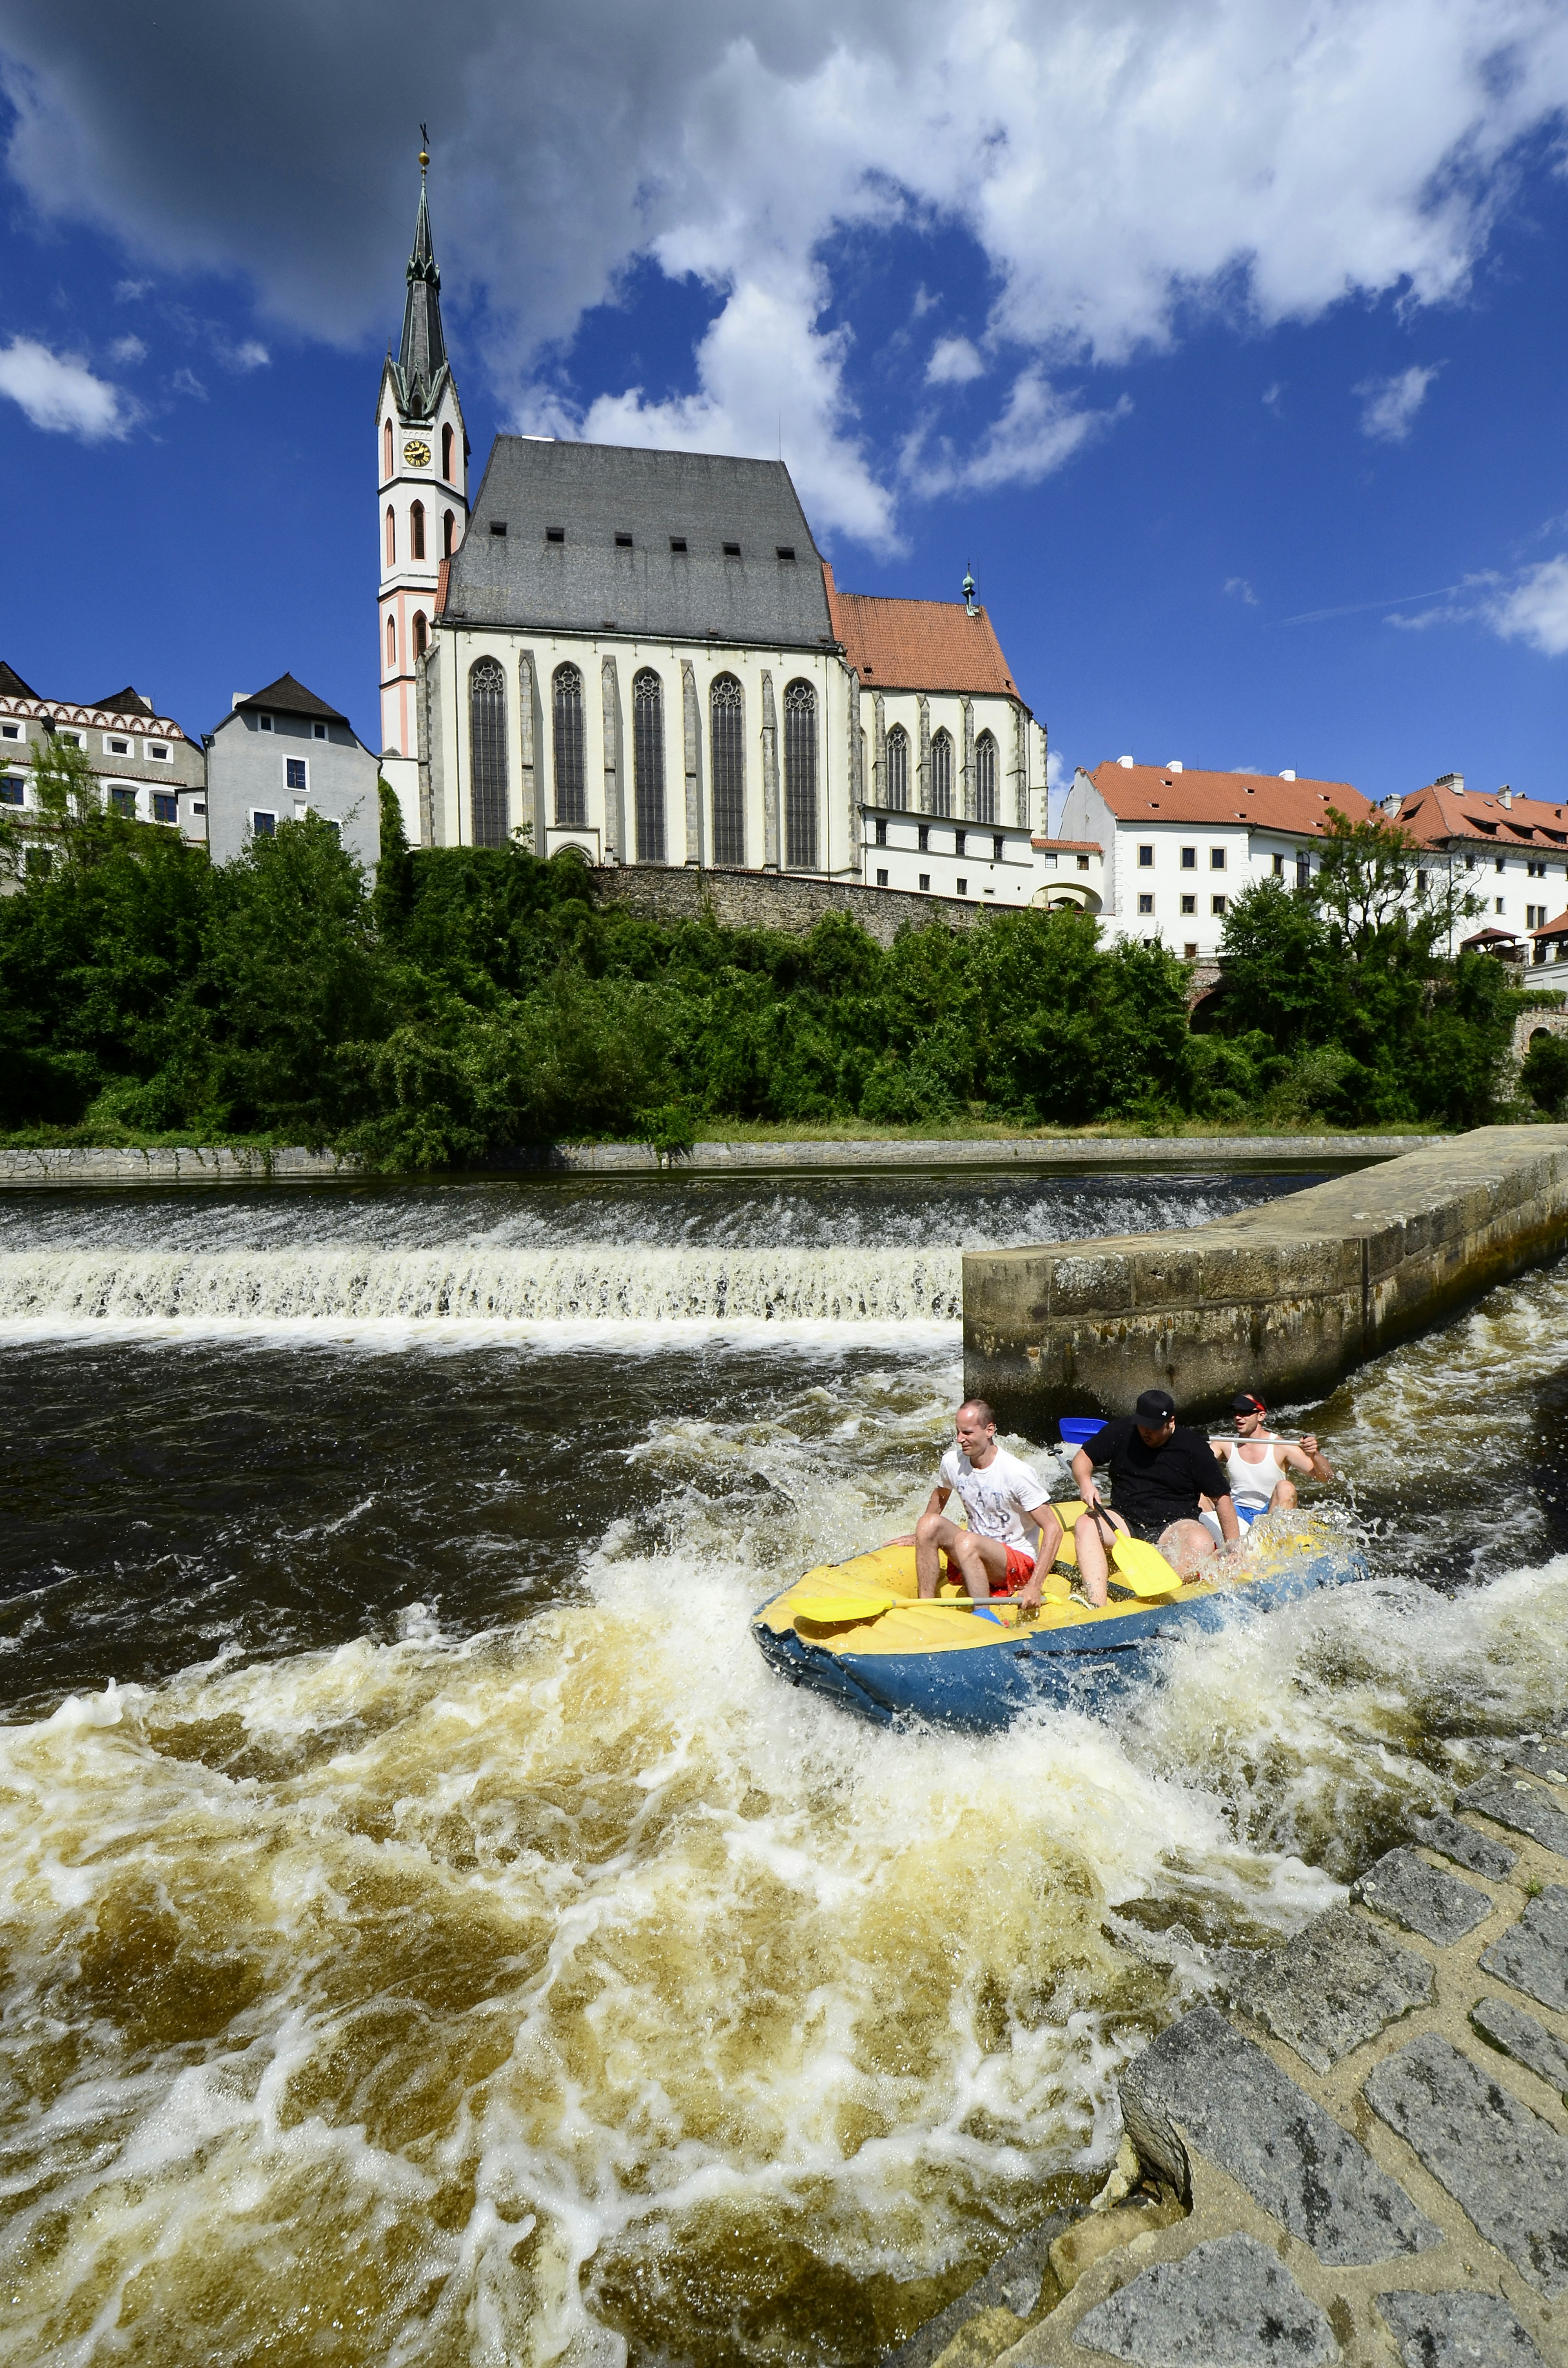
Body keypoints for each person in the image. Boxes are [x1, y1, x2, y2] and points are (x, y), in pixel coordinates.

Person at [889, 1398, 1063, 1612]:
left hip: (1016, 1562)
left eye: (968, 1433)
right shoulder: (952, 1463)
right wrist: (922, 1538)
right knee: (927, 1524)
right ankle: (924, 1606)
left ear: (989, 1430)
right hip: (972, 1549)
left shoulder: (1017, 1473)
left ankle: (983, 1615)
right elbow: (940, 1494)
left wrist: (1035, 1586)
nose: (960, 1439)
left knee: (966, 1540)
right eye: (958, 1432)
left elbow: (1054, 1529)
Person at [1069, 1389, 1239, 1606]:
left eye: (1153, 1427)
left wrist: (1233, 1546)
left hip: (1175, 1525)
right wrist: (1086, 1483)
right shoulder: (1123, 1430)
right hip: (1125, 1519)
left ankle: (1163, 1598)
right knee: (1086, 1524)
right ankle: (1096, 1604)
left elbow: (1221, 1498)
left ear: (1171, 1422)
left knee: (1201, 1542)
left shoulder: (1194, 1448)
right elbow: (1083, 1458)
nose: (1146, 1432)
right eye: (1142, 1425)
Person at [1207, 1393, 1333, 1529]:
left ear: (1261, 1416)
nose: (1238, 1417)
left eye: (1245, 1412)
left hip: (1269, 1513)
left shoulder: (1282, 1446)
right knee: (1200, 1489)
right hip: (1235, 1512)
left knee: (1286, 1487)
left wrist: (1314, 1454)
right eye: (1235, 1412)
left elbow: (1326, 1477)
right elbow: (1196, 1463)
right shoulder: (1225, 1444)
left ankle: (1272, 1541)